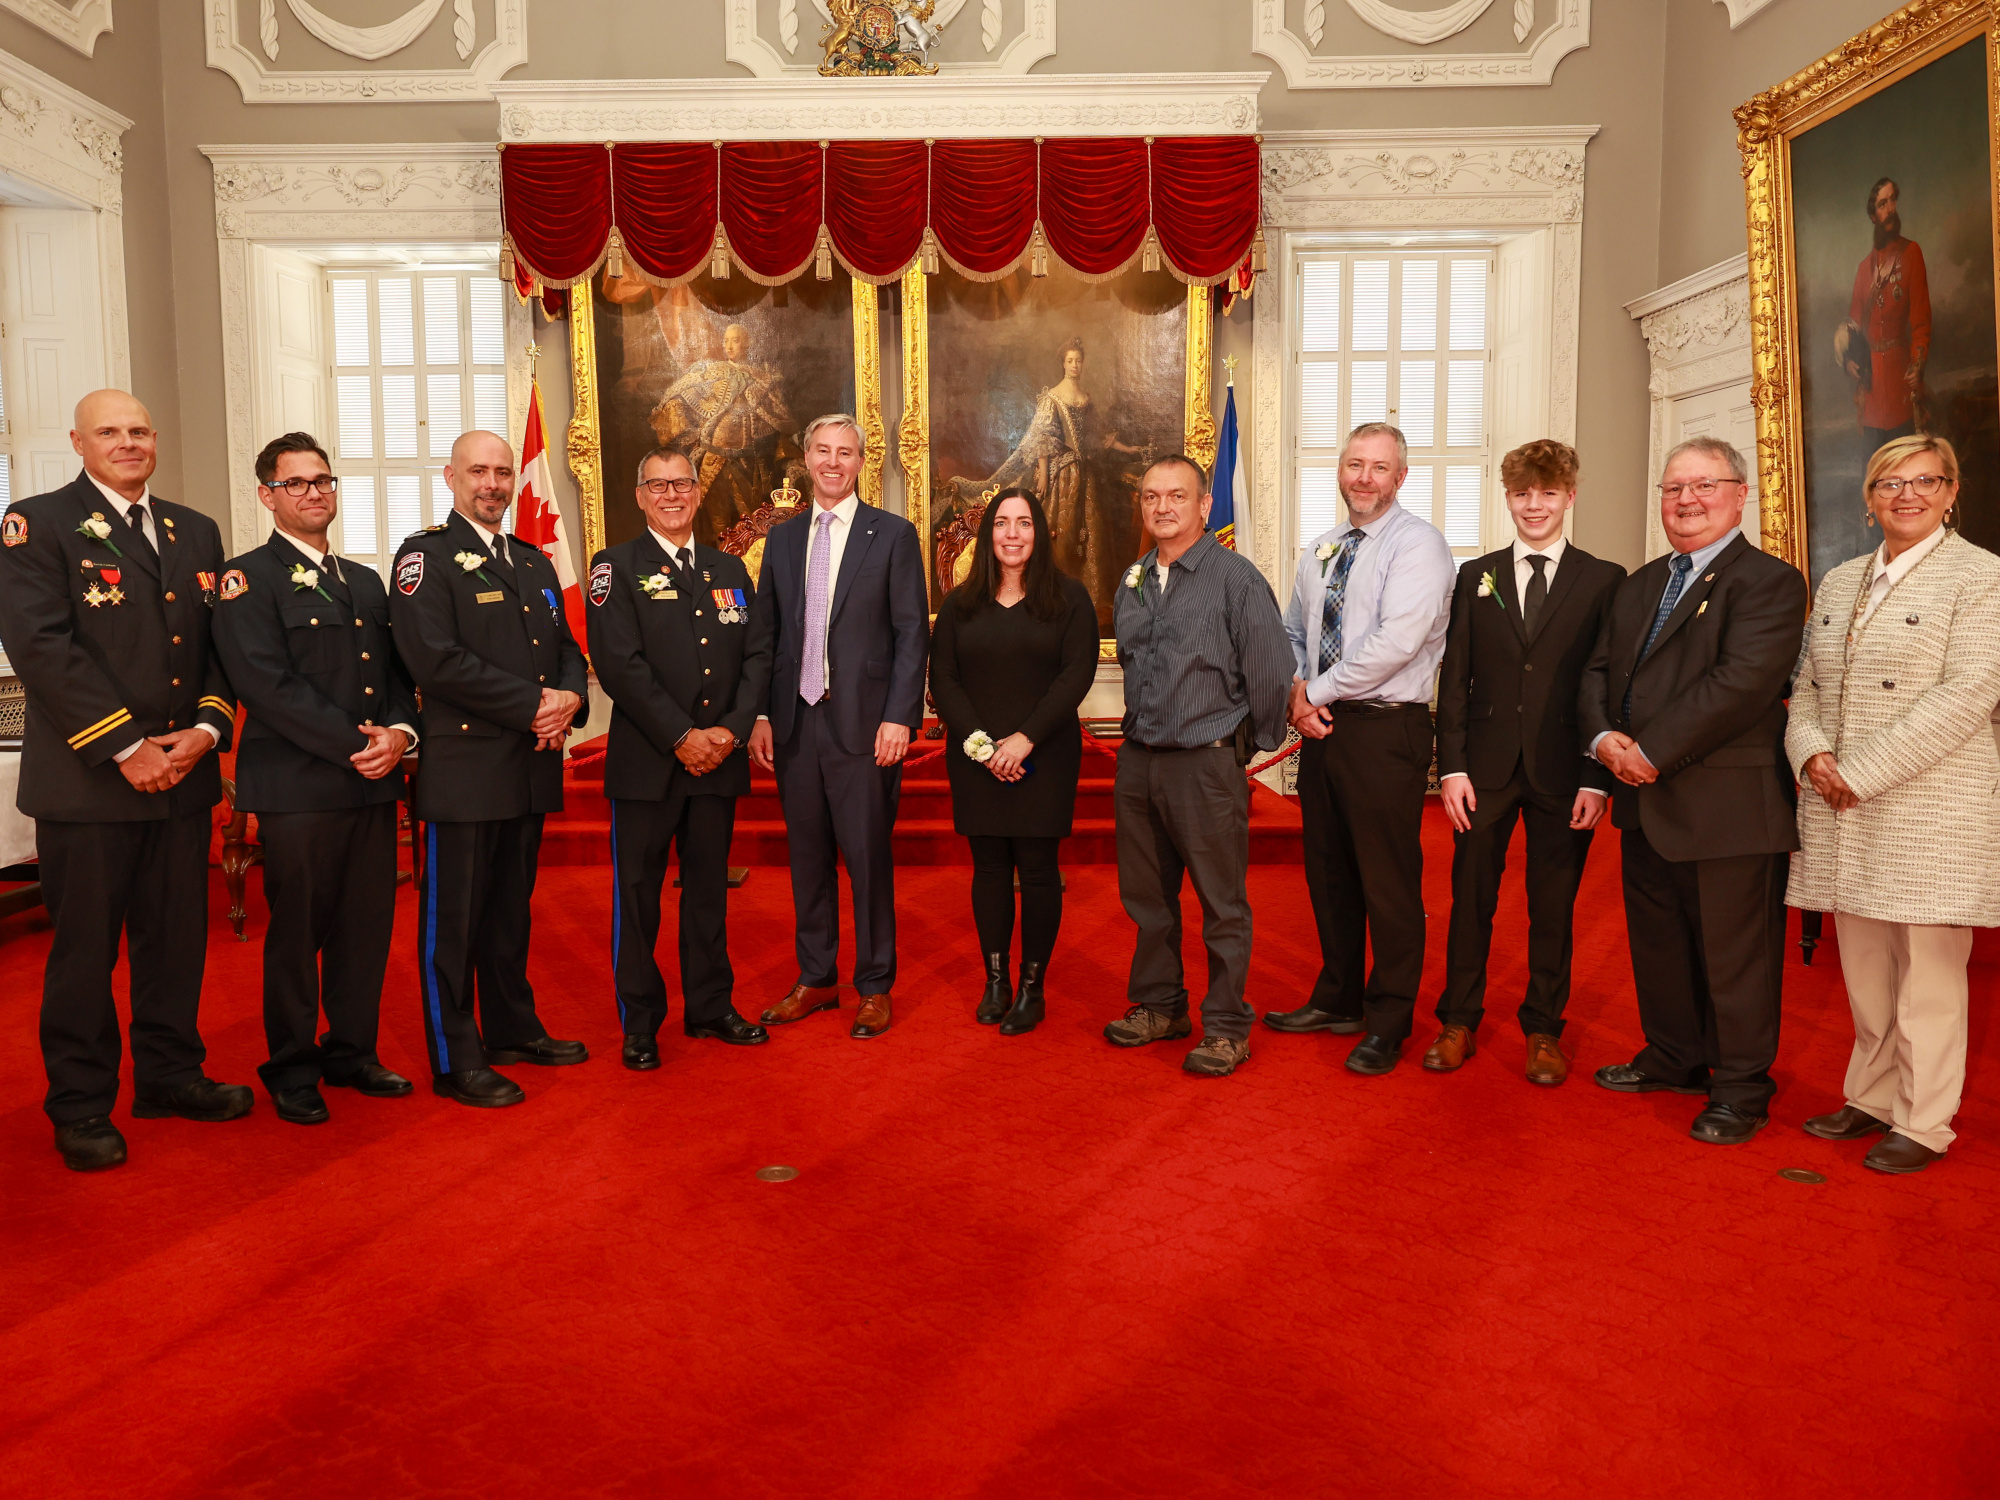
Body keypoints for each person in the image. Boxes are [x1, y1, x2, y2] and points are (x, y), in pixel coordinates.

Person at [0, 390, 250, 1172]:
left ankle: (170, 1076)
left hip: (180, 774)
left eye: (140, 430)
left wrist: (206, 732)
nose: (129, 442)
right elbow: (43, 651)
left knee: (175, 944)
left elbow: (217, 649)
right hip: (90, 783)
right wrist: (126, 747)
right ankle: (80, 1103)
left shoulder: (194, 529)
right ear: (79, 441)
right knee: (85, 953)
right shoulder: (35, 525)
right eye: (111, 431)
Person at [1578, 436, 1808, 1144]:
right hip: (1644, 801)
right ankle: (1675, 1056)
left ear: (1741, 495)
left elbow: (1740, 686)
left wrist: (1650, 751)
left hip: (1729, 809)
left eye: (1704, 487)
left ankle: (1741, 1087)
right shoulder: (1641, 582)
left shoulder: (1770, 581)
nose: (1686, 502)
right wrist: (1603, 743)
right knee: (1661, 943)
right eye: (1674, 489)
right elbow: (1597, 673)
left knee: (1736, 958)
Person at [1786, 435, 2000, 1174]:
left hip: (1930, 803)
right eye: (1889, 484)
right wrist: (1811, 752)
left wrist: (1860, 770)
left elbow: (1970, 693)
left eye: (1924, 482)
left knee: (1931, 976)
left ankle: (1925, 1121)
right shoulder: (1843, 579)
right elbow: (1807, 683)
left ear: (1950, 493)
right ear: (1870, 497)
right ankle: (1872, 1096)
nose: (1905, 496)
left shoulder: (1982, 577)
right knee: (1867, 969)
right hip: (1842, 802)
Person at [211, 432, 419, 1124]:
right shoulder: (246, 578)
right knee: (298, 935)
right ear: (267, 494)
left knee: (366, 930)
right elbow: (265, 685)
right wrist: (357, 745)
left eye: (323, 480)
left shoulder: (363, 581)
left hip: (371, 782)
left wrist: (398, 735)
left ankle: (351, 1052)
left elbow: (395, 679)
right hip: (300, 788)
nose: (313, 493)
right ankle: (292, 1066)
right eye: (296, 483)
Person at [388, 430, 590, 1107]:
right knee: (454, 925)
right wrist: (536, 703)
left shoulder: (532, 563)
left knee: (509, 913)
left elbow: (567, 647)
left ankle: (511, 1027)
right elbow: (433, 659)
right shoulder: (426, 558)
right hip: (466, 772)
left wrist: (569, 697)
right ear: (451, 477)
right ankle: (455, 1056)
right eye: (479, 471)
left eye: (503, 473)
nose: (494, 484)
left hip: (528, 767)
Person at [1426, 440, 1626, 1086]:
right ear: (1508, 498)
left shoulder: (1603, 580)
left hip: (1565, 771)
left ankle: (1544, 1028)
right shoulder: (1473, 575)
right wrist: (1450, 767)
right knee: (1469, 899)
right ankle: (1458, 1018)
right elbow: (1454, 678)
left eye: (1547, 493)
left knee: (1553, 904)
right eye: (1521, 494)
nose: (1533, 506)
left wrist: (1598, 776)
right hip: (1480, 771)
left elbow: (1608, 685)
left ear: (1570, 496)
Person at [1266, 423, 1455, 1076]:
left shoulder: (1419, 546)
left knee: (1388, 882)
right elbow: (1293, 627)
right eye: (1354, 464)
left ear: (1400, 477)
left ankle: (1390, 1018)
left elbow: (1396, 645)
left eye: (1379, 467)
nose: (1364, 477)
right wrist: (1298, 690)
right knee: (1329, 872)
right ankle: (1338, 997)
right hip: (1322, 728)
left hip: (1385, 729)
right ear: (1340, 472)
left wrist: (1309, 693)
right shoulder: (1322, 547)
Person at [587, 448, 774, 1069]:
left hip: (718, 761)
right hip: (648, 766)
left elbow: (756, 656)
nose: (672, 495)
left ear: (698, 492)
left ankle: (710, 1007)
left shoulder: (729, 569)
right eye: (658, 485)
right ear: (639, 495)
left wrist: (729, 731)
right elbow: (619, 664)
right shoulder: (613, 567)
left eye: (682, 484)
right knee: (638, 898)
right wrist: (681, 736)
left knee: (707, 895)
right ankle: (641, 1023)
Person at [1105, 454, 1292, 1077]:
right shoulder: (1132, 578)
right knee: (1147, 899)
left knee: (1221, 904)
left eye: (1177, 496)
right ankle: (1160, 1006)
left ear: (1204, 506)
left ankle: (1226, 1026)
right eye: (1152, 496)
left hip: (1205, 765)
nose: (1163, 507)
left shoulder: (1235, 578)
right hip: (1139, 763)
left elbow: (1269, 669)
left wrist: (1246, 747)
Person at [747, 414, 929, 1039]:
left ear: (859, 462)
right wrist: (764, 714)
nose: (832, 462)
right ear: (805, 457)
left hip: (865, 728)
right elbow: (767, 636)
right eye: (821, 450)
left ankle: (874, 985)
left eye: (844, 452)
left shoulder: (894, 536)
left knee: (868, 859)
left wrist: (901, 717)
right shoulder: (783, 540)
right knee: (807, 860)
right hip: (798, 726)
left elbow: (912, 633)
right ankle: (817, 977)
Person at [928, 487, 1098, 1034]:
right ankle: (995, 980)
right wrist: (982, 746)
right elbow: (944, 680)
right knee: (991, 870)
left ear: (1039, 532)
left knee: (1040, 872)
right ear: (988, 533)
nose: (1012, 534)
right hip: (976, 759)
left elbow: (1075, 677)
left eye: (1023, 523)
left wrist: (1022, 740)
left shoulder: (1069, 598)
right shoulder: (960, 603)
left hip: (1043, 756)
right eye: (1002, 523)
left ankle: (1032, 986)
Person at [1842, 178, 1931, 451]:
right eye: (1883, 204)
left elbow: (1921, 323)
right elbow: (1853, 328)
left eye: (1893, 200)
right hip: (1870, 395)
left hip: (1900, 387)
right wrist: (1848, 361)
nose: (1891, 208)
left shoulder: (1911, 253)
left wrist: (1917, 367)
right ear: (1873, 215)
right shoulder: (1862, 270)